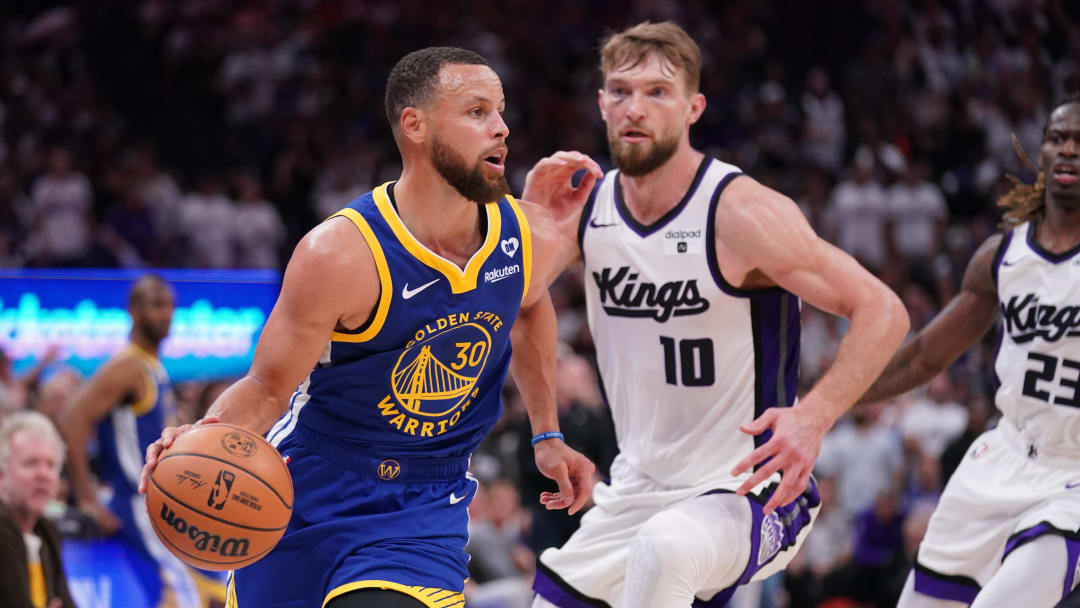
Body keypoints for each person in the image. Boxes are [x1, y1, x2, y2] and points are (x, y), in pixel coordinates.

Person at [139, 47, 594, 608]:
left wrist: (547, 435)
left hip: (425, 505)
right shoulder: (340, 253)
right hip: (307, 489)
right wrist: (199, 435)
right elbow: (267, 388)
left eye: (500, 111)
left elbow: (528, 303)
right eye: (477, 112)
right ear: (415, 125)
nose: (501, 128)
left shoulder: (522, 234)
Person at [521, 21, 909, 607]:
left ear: (693, 107)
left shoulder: (739, 212)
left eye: (658, 92)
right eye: (621, 91)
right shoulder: (585, 209)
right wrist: (531, 215)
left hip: (748, 490)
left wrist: (814, 417)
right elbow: (513, 302)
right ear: (601, 103)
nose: (636, 108)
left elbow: (883, 308)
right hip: (635, 490)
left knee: (666, 548)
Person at [858, 94, 1080, 607]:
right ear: (1039, 155)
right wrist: (828, 403)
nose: (1068, 150)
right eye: (1057, 138)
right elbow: (923, 358)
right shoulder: (1001, 257)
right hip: (1001, 458)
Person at [61, 275, 221, 607]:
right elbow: (72, 420)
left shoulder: (152, 367)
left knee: (205, 589)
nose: (166, 314)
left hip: (160, 502)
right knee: (189, 596)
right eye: (156, 305)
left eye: (170, 306)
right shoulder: (127, 367)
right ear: (134, 311)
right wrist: (87, 497)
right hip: (137, 501)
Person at [0, 411, 75, 608]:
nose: (43, 475)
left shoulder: (46, 531)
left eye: (51, 465)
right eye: (30, 463)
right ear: (1, 475)